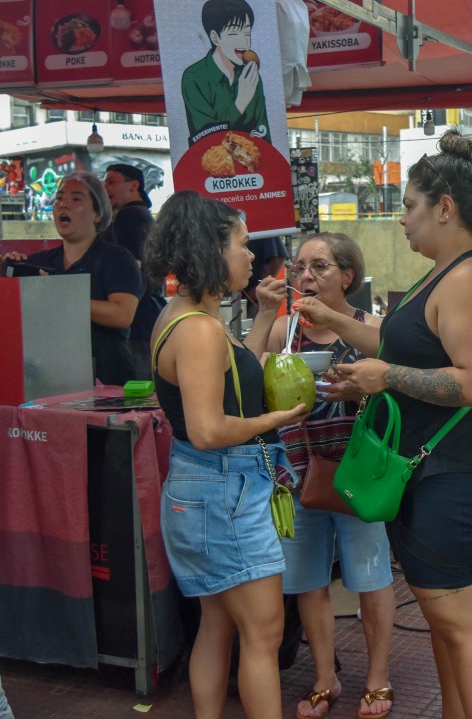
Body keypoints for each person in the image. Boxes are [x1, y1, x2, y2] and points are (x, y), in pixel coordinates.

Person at [295, 129, 472, 719]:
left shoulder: (471, 278)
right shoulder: (441, 274)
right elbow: (401, 344)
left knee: (459, 623)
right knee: (445, 622)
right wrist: (333, 320)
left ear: (445, 208)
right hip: (430, 471)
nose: (400, 220)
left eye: (409, 206)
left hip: (456, 471)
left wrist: (385, 377)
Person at [143, 190, 309, 719]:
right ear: (210, 250)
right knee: (263, 633)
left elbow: (236, 378)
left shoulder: (189, 316)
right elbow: (210, 428)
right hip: (223, 488)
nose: (250, 257)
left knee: (217, 624)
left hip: (210, 490)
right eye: (241, 244)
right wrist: (277, 421)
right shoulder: (198, 329)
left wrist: (262, 315)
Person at [258, 233, 396, 719]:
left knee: (371, 579)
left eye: (319, 267)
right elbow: (257, 388)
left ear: (347, 276)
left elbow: (398, 395)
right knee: (307, 582)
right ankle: (325, 677)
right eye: (299, 268)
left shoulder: (371, 329)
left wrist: (358, 393)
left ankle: (378, 678)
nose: (305, 277)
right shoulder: (285, 332)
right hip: (299, 471)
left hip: (360, 472)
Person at [0, 171, 143, 387]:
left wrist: (58, 295)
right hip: (48, 383)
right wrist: (10, 272)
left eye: (76, 199)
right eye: (59, 199)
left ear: (98, 213)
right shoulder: (39, 262)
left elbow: (122, 314)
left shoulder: (116, 258)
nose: (63, 205)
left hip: (107, 384)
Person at [104, 163, 163, 380]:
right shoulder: (142, 214)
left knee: (139, 390)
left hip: (138, 319)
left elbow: (134, 264)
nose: (105, 186)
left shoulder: (129, 216)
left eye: (112, 181)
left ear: (134, 185)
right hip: (149, 316)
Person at [182, 0, 270, 143]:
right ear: (215, 38)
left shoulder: (251, 76)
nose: (245, 41)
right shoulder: (194, 77)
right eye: (235, 33)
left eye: (247, 33)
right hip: (213, 162)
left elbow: (263, 132)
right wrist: (240, 102)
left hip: (252, 162)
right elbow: (206, 136)